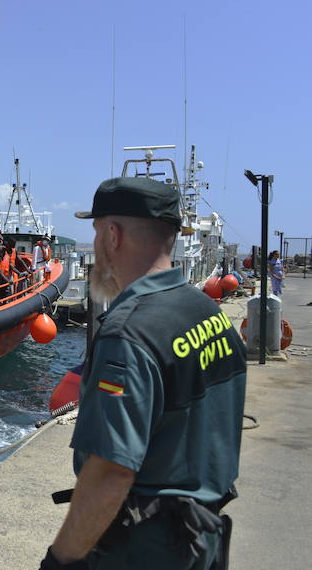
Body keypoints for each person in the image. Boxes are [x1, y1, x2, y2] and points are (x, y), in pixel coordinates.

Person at [42, 177, 246, 570]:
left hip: (145, 548)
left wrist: (62, 560)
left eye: (97, 231)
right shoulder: (205, 311)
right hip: (202, 537)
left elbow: (111, 469)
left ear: (113, 235)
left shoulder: (128, 332)